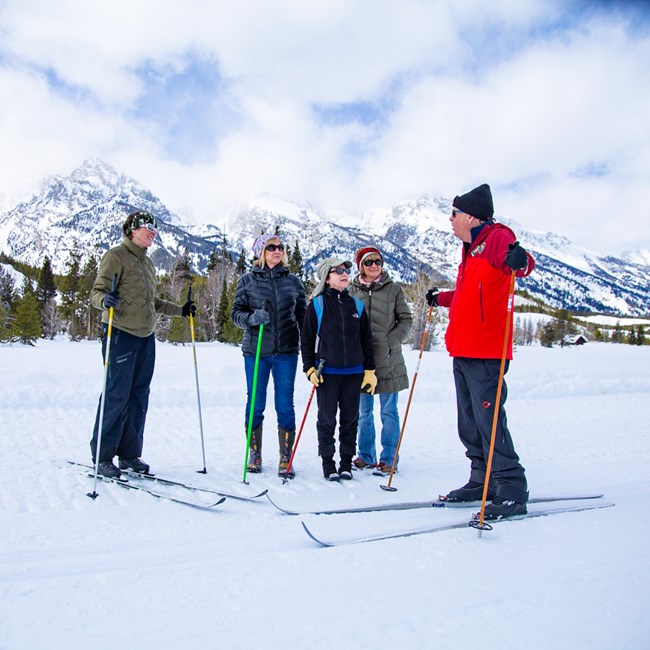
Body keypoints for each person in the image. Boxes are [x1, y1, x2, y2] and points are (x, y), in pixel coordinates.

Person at [427, 184, 535, 519]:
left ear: (472, 216)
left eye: (455, 213)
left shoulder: (495, 237)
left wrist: (520, 261)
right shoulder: (471, 251)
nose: (451, 219)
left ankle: (511, 490)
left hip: (486, 352)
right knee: (470, 422)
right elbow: (466, 295)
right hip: (464, 350)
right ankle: (481, 481)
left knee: (489, 421)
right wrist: (439, 298)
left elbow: (520, 262)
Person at [90, 210, 196, 478]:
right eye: (148, 227)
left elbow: (153, 303)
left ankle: (128, 454)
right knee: (116, 394)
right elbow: (96, 292)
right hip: (120, 332)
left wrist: (181, 311)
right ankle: (102, 457)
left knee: (139, 396)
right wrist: (105, 301)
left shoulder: (147, 264)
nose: (153, 231)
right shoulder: (116, 256)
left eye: (155, 227)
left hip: (145, 337)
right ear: (132, 230)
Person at [231, 233, 306, 476]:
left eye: (281, 247)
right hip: (256, 351)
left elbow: (304, 317)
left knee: (285, 403)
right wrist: (251, 318)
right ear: (261, 252)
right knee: (255, 403)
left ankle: (286, 456)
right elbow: (236, 314)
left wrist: (313, 343)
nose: (277, 250)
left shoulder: (293, 282)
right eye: (271, 247)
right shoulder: (247, 281)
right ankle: (255, 453)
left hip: (286, 351)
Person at [300, 258, 377, 481]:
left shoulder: (357, 305)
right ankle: (328, 463)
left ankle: (346, 463)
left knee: (350, 420)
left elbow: (366, 341)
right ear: (327, 277)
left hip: (354, 372)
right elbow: (306, 340)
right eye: (339, 271)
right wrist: (309, 369)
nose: (345, 274)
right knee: (327, 420)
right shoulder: (317, 305)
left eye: (346, 270)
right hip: (327, 373)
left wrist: (370, 370)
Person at [348, 246, 413, 475]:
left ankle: (389, 458)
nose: (374, 265)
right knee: (364, 412)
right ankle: (365, 455)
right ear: (361, 266)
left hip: (388, 359)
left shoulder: (393, 289)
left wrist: (390, 341)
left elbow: (405, 319)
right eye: (368, 262)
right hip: (362, 360)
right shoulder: (351, 290)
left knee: (389, 412)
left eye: (377, 261)